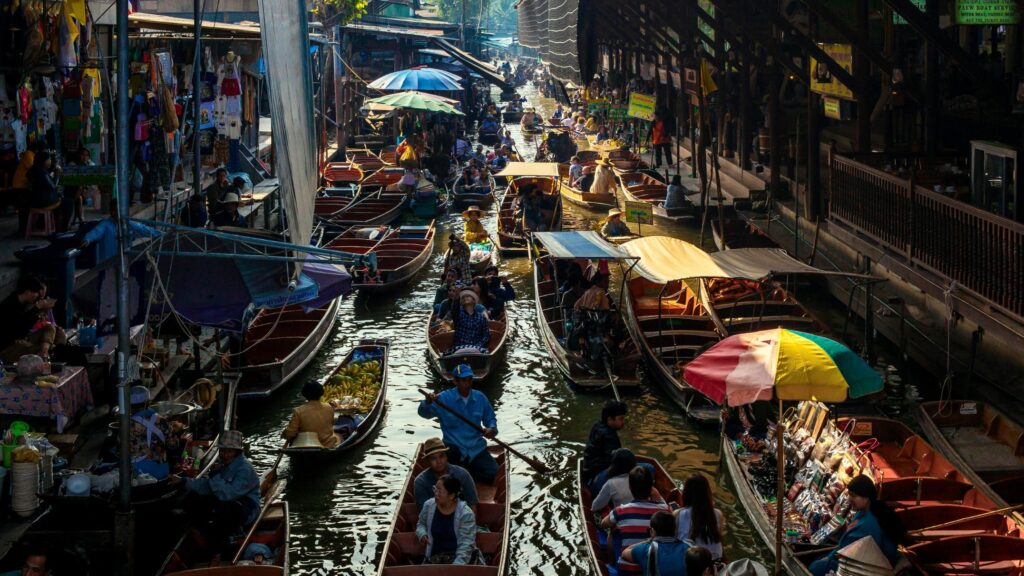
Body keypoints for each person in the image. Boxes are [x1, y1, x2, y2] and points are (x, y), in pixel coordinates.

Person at [175, 430, 261, 557]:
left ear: (236, 452)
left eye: (229, 451)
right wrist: (183, 481)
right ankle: (204, 536)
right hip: (227, 502)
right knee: (195, 500)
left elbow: (228, 495)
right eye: (223, 451)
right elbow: (206, 487)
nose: (225, 454)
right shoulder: (224, 465)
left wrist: (215, 475)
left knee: (225, 510)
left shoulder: (244, 470)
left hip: (246, 508)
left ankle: (220, 549)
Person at [808, 475, 904, 576]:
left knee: (816, 568)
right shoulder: (862, 511)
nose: (849, 499)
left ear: (866, 497)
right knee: (818, 561)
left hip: (869, 568)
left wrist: (830, 558)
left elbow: (849, 550)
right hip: (854, 557)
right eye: (849, 495)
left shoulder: (869, 524)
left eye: (853, 496)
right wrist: (830, 556)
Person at [418, 364, 499, 483]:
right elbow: (424, 414)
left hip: (476, 448)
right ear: (455, 381)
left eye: (469, 380)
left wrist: (491, 429)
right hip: (453, 449)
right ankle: (463, 475)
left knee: (494, 474)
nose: (467, 384)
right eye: (463, 380)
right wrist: (427, 402)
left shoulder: (480, 398)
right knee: (442, 477)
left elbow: (491, 419)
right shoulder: (443, 398)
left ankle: (466, 475)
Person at [600, 466, 670, 565]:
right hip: (656, 567)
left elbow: (603, 524)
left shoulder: (621, 510)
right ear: (651, 487)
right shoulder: (665, 509)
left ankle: (612, 565)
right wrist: (659, 498)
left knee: (613, 530)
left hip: (627, 569)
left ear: (630, 488)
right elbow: (669, 511)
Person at [416, 474, 481, 565]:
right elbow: (421, 524)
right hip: (434, 557)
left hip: (459, 559)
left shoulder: (466, 514)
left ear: (451, 496)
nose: (436, 494)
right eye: (435, 489)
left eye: (440, 491)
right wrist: (422, 533)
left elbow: (466, 545)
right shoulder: (429, 505)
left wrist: (454, 568)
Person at [79, 204, 162, 265]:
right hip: (107, 261)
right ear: (111, 212)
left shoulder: (129, 224)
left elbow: (143, 229)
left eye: (119, 210)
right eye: (114, 210)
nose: (117, 212)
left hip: (124, 261)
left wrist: (161, 234)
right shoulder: (105, 224)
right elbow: (96, 232)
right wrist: (88, 239)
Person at [0, 275, 54, 363]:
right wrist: (36, 309)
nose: (37, 296)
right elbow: (21, 331)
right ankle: (45, 352)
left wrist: (41, 310)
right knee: (38, 350)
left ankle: (45, 351)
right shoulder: (8, 305)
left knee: (50, 328)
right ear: (28, 292)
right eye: (36, 293)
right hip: (8, 348)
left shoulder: (23, 303)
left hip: (21, 341)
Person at [414, 437, 479, 510]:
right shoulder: (420, 482)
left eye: (441, 456)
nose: (439, 461)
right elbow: (424, 512)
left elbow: (472, 505)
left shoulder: (463, 475)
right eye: (433, 458)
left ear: (446, 456)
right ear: (427, 461)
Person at [621, 511, 691, 576]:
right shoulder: (689, 547)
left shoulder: (645, 550)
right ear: (675, 530)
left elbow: (624, 553)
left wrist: (649, 540)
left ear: (652, 531)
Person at [675, 473, 725, 561]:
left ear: (686, 493)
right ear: (707, 493)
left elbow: (674, 539)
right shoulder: (718, 514)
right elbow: (719, 538)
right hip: (715, 560)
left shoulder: (678, 514)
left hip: (689, 562)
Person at [583, 399, 628, 488]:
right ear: (610, 419)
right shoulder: (609, 435)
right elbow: (614, 461)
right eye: (620, 419)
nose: (623, 422)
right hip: (599, 473)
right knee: (649, 467)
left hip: (589, 469)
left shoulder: (597, 425)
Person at [282, 381, 339, 449]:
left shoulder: (298, 411)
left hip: (305, 446)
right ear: (321, 393)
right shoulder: (328, 407)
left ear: (304, 394)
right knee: (337, 436)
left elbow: (290, 433)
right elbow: (331, 424)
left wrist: (284, 434)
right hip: (327, 444)